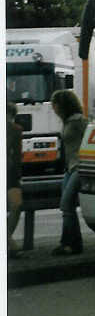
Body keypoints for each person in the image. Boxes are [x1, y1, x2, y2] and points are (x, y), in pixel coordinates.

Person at [50, 90, 89, 255]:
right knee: (67, 207)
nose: (54, 109)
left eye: (55, 105)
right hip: (70, 168)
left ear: (63, 105)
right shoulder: (66, 122)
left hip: (79, 167)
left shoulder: (79, 121)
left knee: (66, 204)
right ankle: (70, 243)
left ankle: (70, 243)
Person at [7, 102, 23, 257]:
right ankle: (9, 241)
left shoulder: (15, 130)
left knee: (16, 205)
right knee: (16, 206)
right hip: (11, 172)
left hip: (10, 172)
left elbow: (17, 156)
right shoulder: (15, 129)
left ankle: (7, 239)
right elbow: (18, 156)